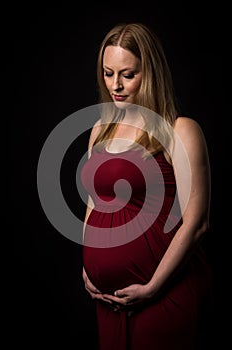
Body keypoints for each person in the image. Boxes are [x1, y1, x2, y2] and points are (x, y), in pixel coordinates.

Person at [80, 22, 212, 350]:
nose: (116, 84)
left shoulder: (180, 130)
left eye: (128, 74)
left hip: (162, 293)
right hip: (107, 299)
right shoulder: (101, 128)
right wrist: (87, 268)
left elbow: (197, 223)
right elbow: (95, 202)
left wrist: (152, 288)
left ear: (149, 71)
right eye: (108, 73)